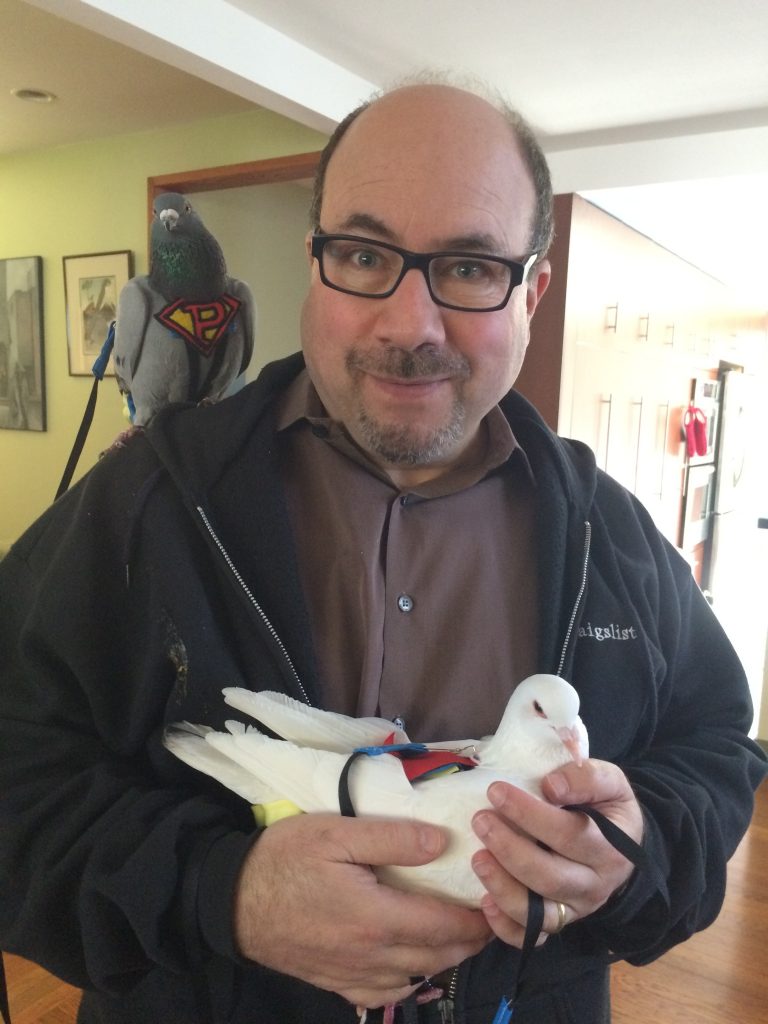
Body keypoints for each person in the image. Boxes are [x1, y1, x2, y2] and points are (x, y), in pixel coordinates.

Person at [0, 77, 765, 1024]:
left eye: (472, 267)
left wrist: (639, 842)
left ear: (535, 290)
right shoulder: (143, 505)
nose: (411, 326)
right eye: (365, 254)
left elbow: (714, 750)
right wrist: (222, 893)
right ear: (313, 261)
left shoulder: (613, 533)